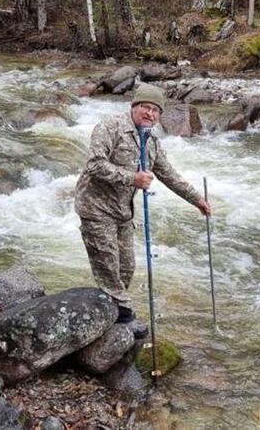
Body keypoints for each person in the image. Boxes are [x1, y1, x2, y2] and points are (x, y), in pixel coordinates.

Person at [74, 83, 212, 338]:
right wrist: (132, 178)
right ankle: (121, 317)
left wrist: (197, 200)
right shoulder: (110, 127)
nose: (150, 114)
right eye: (145, 108)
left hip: (122, 212)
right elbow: (94, 165)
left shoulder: (152, 143)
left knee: (126, 268)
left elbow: (169, 175)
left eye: (155, 110)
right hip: (95, 207)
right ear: (133, 107)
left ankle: (111, 316)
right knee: (108, 266)